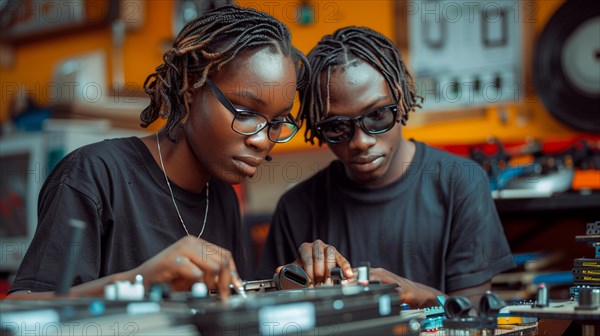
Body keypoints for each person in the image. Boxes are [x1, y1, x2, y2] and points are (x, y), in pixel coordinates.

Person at [7, 5, 309, 300]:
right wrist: (141, 282)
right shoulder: (94, 175)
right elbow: (19, 309)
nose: (261, 140)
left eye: (277, 122)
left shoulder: (222, 195)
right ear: (191, 90)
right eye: (244, 112)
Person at [256, 26, 515, 308]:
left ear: (401, 100)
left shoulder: (460, 183)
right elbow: (267, 315)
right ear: (318, 130)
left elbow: (477, 315)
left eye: (377, 115)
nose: (361, 141)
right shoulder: (296, 208)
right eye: (337, 127)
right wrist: (293, 285)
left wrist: (420, 296)